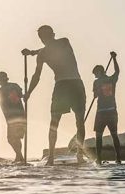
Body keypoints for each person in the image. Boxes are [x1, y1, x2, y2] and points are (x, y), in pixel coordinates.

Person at [25, 25, 88, 165]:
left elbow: (51, 49)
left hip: (73, 84)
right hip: (64, 86)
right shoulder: (43, 54)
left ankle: (78, 155)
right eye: (42, 37)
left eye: (44, 36)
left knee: (78, 121)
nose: (43, 39)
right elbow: (36, 76)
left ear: (52, 34)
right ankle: (53, 158)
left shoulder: (64, 42)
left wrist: (33, 52)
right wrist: (28, 93)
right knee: (56, 122)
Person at [91, 52, 122, 165]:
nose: (95, 76)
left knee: (98, 136)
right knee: (114, 135)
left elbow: (95, 96)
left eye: (95, 73)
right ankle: (118, 158)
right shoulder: (112, 79)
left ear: (99, 72)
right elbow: (117, 72)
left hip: (101, 113)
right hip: (112, 112)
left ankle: (98, 159)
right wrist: (114, 59)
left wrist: (97, 91)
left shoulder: (96, 82)